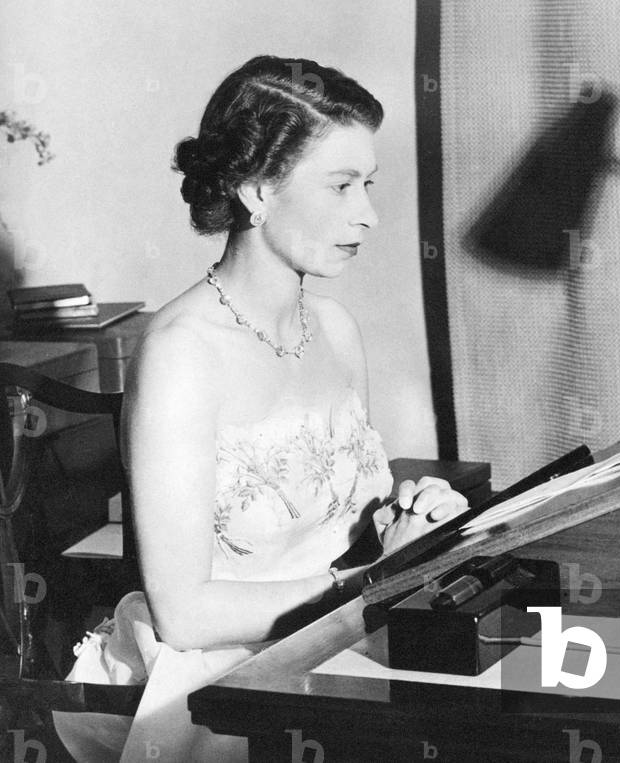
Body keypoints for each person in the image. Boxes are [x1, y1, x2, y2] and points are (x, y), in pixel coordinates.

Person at [53, 55, 468, 762]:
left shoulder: (335, 327)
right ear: (256, 190)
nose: (367, 214)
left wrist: (406, 522)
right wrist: (369, 583)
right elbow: (184, 615)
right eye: (340, 186)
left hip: (346, 636)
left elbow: (340, 527)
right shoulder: (181, 353)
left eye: (367, 184)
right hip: (229, 680)